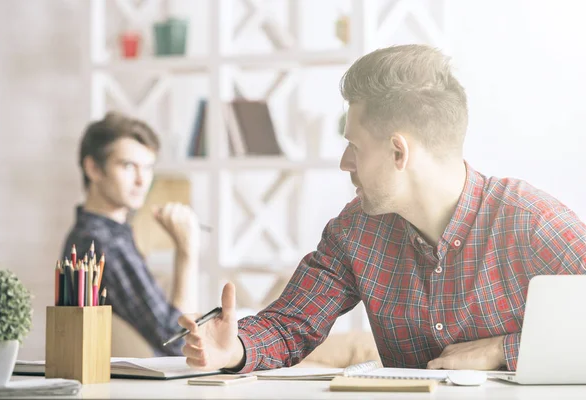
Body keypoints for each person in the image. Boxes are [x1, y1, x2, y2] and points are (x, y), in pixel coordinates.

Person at [177, 44, 586, 372]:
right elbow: (290, 324)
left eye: (354, 147)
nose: (344, 164)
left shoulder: (529, 222)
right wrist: (235, 349)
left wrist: (503, 350)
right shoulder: (355, 231)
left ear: (397, 151)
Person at [61, 112, 201, 356]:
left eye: (148, 168)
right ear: (93, 168)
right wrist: (187, 252)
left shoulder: (94, 234)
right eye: (128, 166)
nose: (142, 180)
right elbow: (177, 343)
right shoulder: (105, 243)